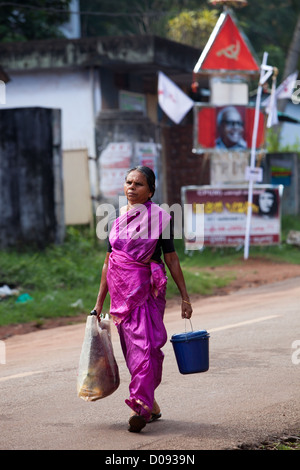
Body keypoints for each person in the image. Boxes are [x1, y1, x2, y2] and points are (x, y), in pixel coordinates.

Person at [93, 166, 193, 433]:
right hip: (120, 296)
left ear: (150, 191)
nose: (131, 188)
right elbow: (108, 263)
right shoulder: (114, 220)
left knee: (148, 348)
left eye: (138, 184)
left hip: (147, 292)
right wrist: (98, 303)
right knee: (133, 352)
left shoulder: (160, 219)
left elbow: (171, 257)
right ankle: (152, 404)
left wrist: (185, 297)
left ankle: (139, 406)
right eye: (128, 182)